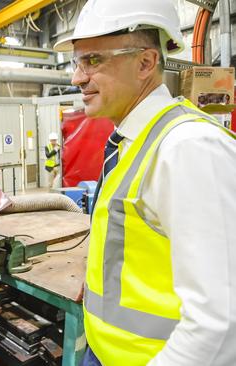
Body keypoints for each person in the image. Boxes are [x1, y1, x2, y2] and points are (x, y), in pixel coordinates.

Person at [53, 1, 236, 365]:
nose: (76, 78)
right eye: (77, 63)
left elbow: (220, 322)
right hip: (106, 352)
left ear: (146, 63)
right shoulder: (135, 141)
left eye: (93, 61)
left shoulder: (189, 149)